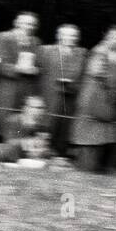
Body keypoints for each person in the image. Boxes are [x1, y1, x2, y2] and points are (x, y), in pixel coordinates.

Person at [69, 25, 116, 172]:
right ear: (107, 36)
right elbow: (95, 72)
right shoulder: (100, 51)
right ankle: (84, 169)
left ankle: (90, 169)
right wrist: (113, 88)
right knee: (88, 139)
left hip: (104, 100)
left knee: (98, 139)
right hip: (93, 97)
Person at [38, 23, 86, 157]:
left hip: (69, 97)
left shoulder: (82, 54)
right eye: (67, 35)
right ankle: (41, 153)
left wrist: (73, 86)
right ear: (59, 36)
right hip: (48, 96)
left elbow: (83, 78)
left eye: (74, 35)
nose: (71, 38)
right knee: (46, 126)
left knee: (64, 128)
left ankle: (58, 155)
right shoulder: (45, 50)